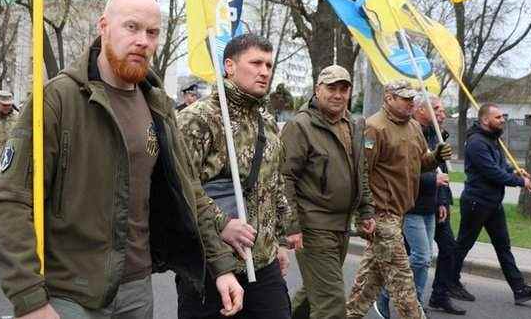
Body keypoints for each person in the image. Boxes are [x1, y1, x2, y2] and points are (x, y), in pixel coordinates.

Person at [0, 0, 244, 319]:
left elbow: (189, 191)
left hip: (137, 290)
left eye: (152, 32)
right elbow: (8, 202)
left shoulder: (158, 105)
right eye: (131, 27)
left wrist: (221, 266)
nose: (143, 41)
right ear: (103, 26)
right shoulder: (58, 99)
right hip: (69, 293)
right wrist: (30, 300)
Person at [176, 34, 292, 319]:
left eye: (268, 64)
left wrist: (277, 241)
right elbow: (179, 189)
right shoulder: (198, 119)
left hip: (262, 265)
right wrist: (222, 223)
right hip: (210, 265)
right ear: (229, 65)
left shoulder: (266, 122)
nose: (264, 71)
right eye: (255, 63)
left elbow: (274, 185)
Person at [346, 80, 453, 319]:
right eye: (404, 98)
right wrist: (363, 214)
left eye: (411, 98)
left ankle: (349, 314)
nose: (410, 102)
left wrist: (435, 157)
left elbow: (421, 162)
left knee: (369, 281)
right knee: (403, 284)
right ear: (389, 98)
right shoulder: (373, 127)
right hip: (381, 216)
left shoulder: (414, 127)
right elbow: (361, 173)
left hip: (400, 212)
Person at [280, 65, 375, 319]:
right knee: (331, 304)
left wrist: (365, 211)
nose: (338, 94)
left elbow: (360, 171)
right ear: (317, 90)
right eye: (331, 88)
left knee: (314, 295)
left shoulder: (353, 124)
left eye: (344, 89)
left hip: (341, 226)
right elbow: (285, 178)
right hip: (313, 226)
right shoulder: (300, 126)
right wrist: (292, 226)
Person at [453, 103, 531, 305]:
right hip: (477, 203)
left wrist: (513, 171)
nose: (502, 120)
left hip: (492, 203)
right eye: (498, 117)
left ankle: (519, 289)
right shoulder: (477, 142)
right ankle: (448, 283)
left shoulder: (492, 140)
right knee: (462, 245)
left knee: (503, 247)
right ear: (485, 120)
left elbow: (498, 166)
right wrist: (520, 182)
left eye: (502, 117)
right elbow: (491, 173)